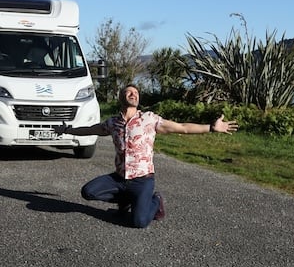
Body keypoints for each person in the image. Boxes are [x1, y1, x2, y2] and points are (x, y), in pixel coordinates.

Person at [57, 84, 238, 228]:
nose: (133, 94)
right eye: (128, 92)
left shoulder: (149, 119)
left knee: (139, 222)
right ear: (121, 97)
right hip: (120, 178)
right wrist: (67, 130)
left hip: (143, 180)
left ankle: (155, 200)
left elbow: (182, 127)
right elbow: (91, 129)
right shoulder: (113, 123)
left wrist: (211, 128)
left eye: (136, 92)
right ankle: (127, 200)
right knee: (88, 191)